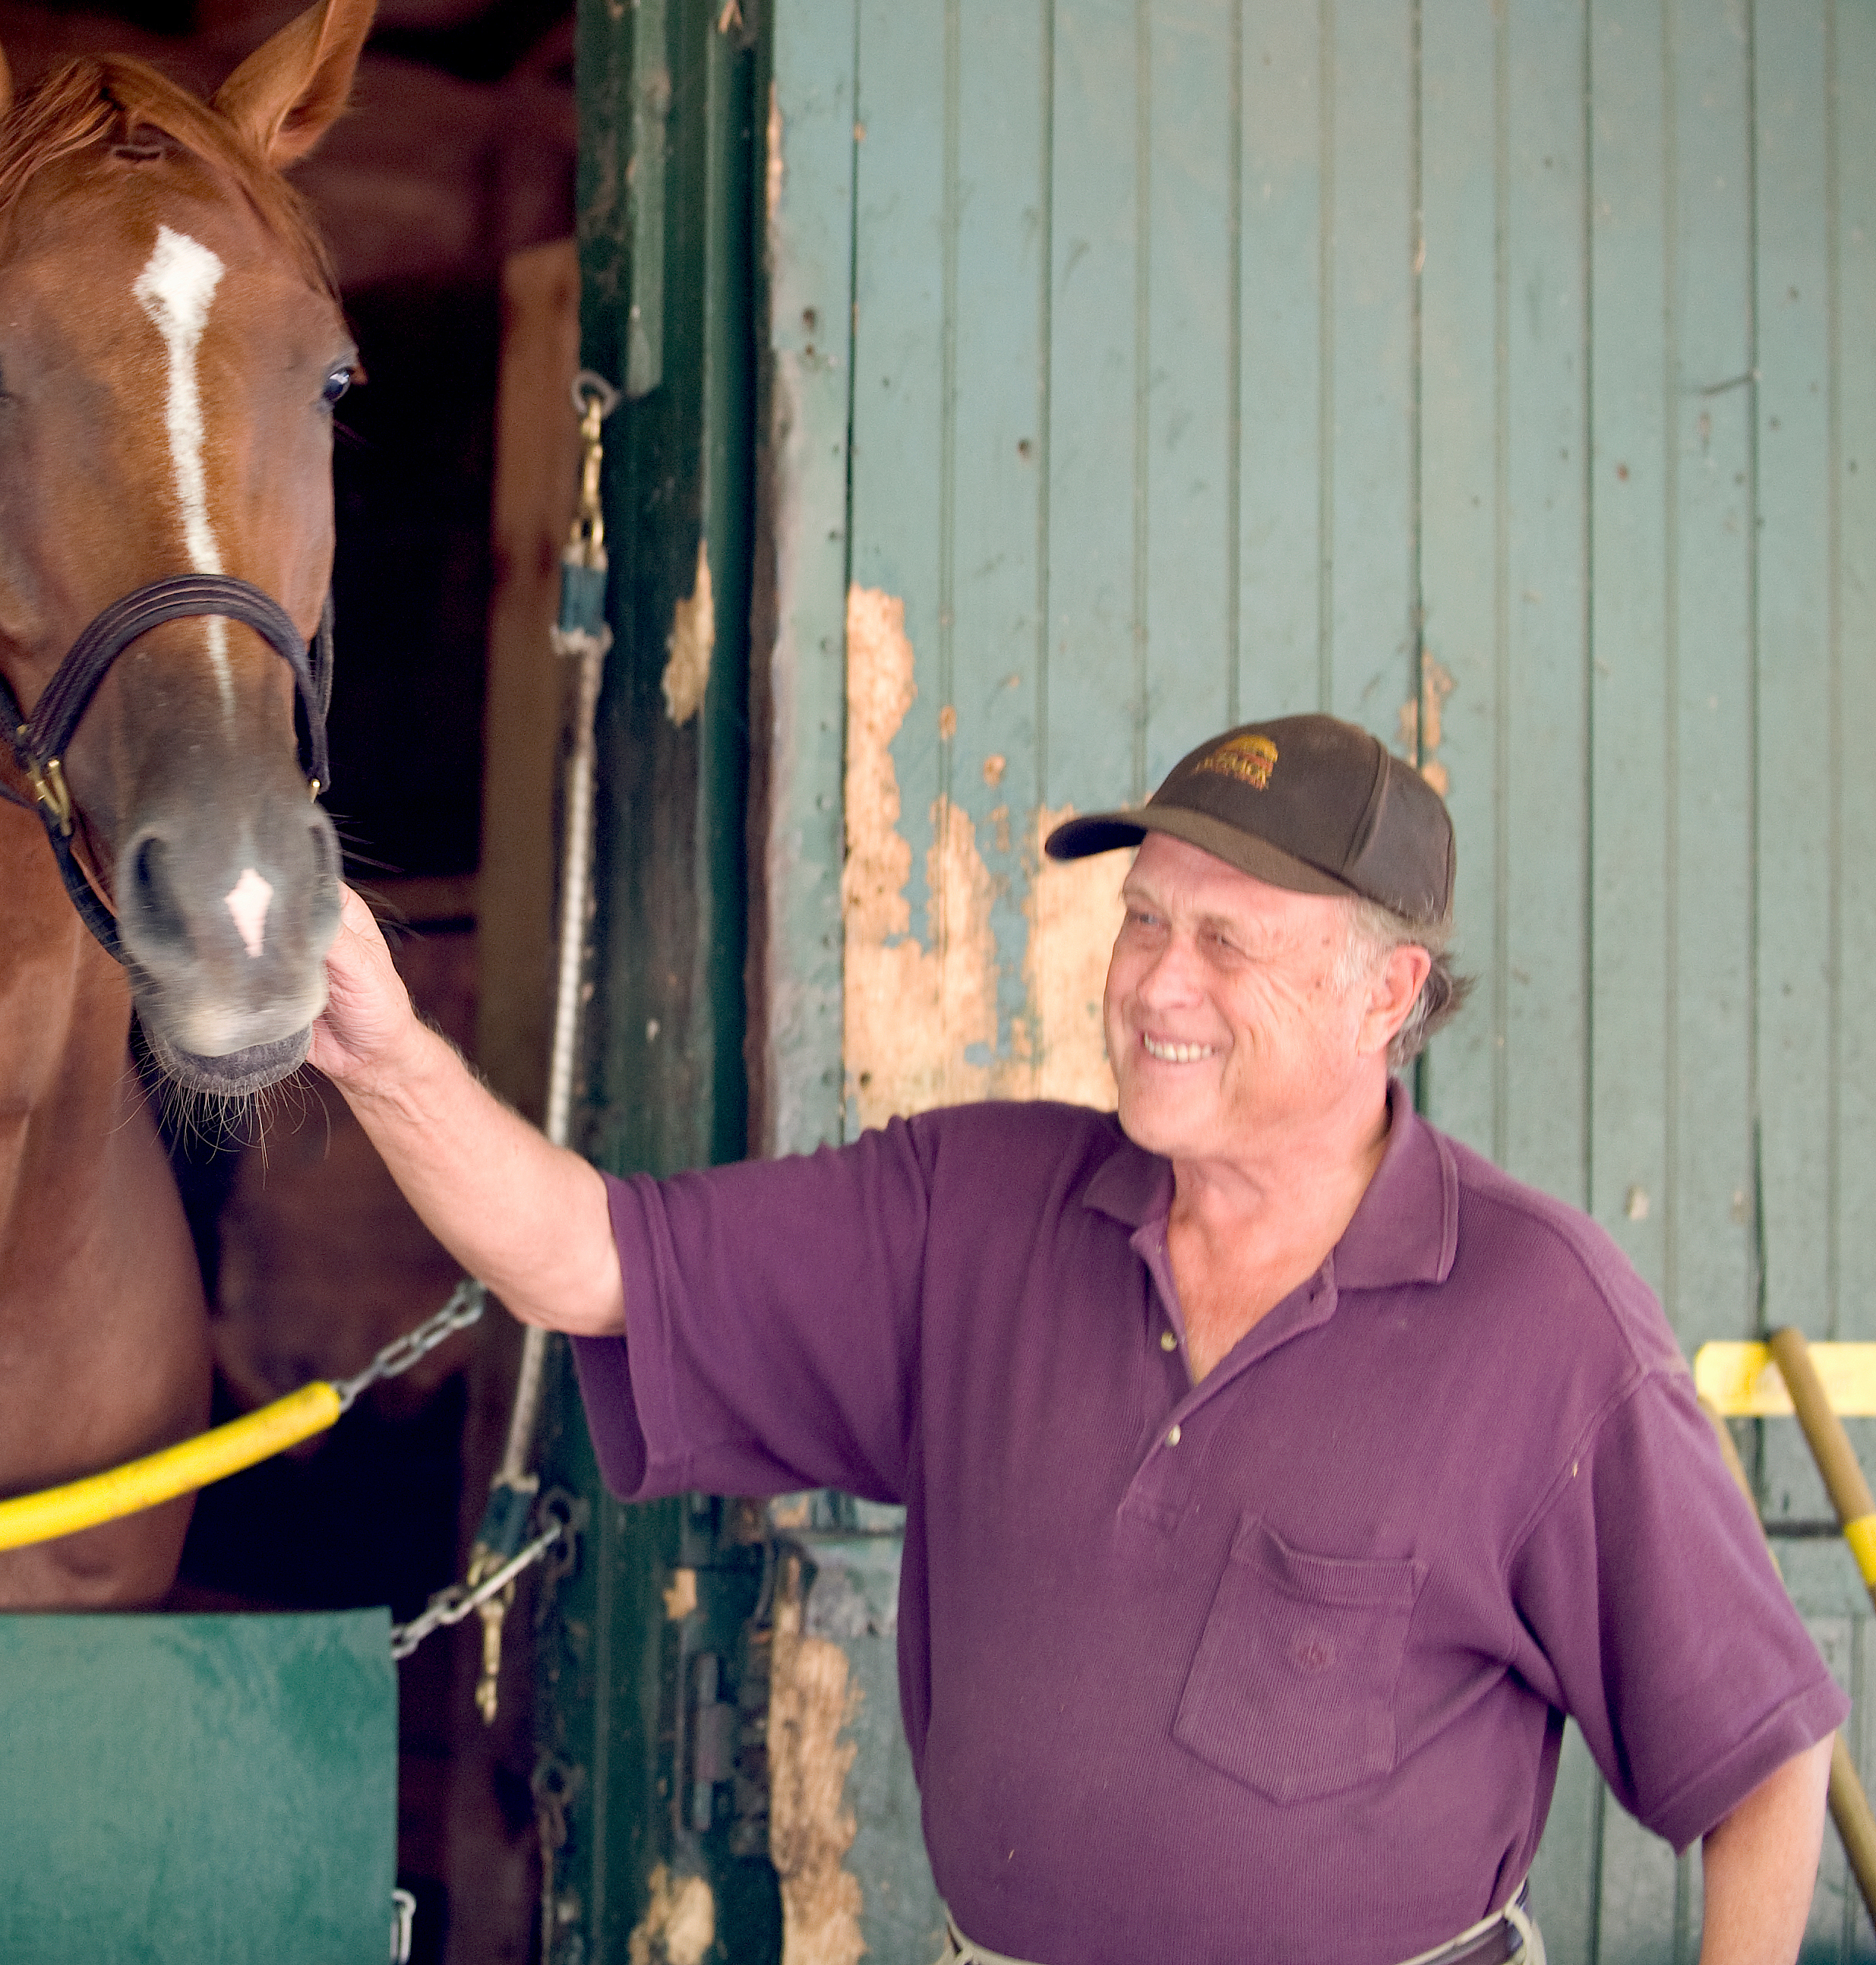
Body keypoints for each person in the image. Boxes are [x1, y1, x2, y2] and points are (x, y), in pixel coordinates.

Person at [310, 712, 1843, 1965]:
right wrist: (377, 1047)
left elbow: (1765, 1757)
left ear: (1391, 993)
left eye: (1229, 942)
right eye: (1143, 921)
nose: (1156, 985)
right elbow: (588, 1257)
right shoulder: (973, 1207)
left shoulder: (1540, 1317)